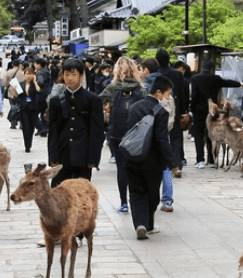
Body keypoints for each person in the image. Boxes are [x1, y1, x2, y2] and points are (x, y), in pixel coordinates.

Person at [124, 75, 180, 239]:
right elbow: (162, 140)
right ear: (158, 92)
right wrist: (172, 162)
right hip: (153, 162)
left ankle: (140, 224)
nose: (167, 97)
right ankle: (148, 224)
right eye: (167, 94)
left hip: (132, 158)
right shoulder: (161, 112)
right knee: (152, 193)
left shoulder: (134, 107)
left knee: (136, 193)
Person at [47, 57, 104, 188]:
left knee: (81, 194)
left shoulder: (93, 100)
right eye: (67, 74)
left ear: (81, 76)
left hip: (83, 155)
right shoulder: (55, 101)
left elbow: (97, 131)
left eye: (74, 74)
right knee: (58, 193)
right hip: (62, 154)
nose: (70, 78)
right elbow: (53, 130)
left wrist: (94, 158)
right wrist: (52, 156)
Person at [101, 57, 147, 214]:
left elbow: (97, 100)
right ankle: (137, 200)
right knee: (135, 168)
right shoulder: (141, 89)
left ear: (117, 70)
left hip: (116, 134)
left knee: (121, 168)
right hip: (136, 134)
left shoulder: (113, 87)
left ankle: (123, 203)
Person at [154, 48, 190, 172]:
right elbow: (182, 93)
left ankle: (161, 164)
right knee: (175, 138)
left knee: (159, 137)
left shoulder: (155, 74)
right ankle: (176, 164)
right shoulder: (177, 74)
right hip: (174, 110)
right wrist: (183, 111)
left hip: (157, 110)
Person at [189, 58, 227, 168]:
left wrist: (191, 108)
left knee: (199, 135)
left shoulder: (195, 78)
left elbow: (194, 95)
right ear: (212, 69)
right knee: (211, 135)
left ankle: (200, 160)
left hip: (198, 111)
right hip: (212, 111)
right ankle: (211, 160)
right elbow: (227, 83)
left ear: (202, 67)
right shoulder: (216, 78)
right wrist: (239, 84)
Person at [17, 65, 44, 153]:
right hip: (24, 108)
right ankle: (27, 146)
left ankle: (30, 143)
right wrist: (14, 90)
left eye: (30, 74)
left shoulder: (35, 84)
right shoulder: (20, 84)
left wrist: (35, 81)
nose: (28, 76)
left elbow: (39, 91)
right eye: (27, 74)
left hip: (33, 108)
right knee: (25, 127)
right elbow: (17, 96)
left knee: (31, 127)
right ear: (24, 75)